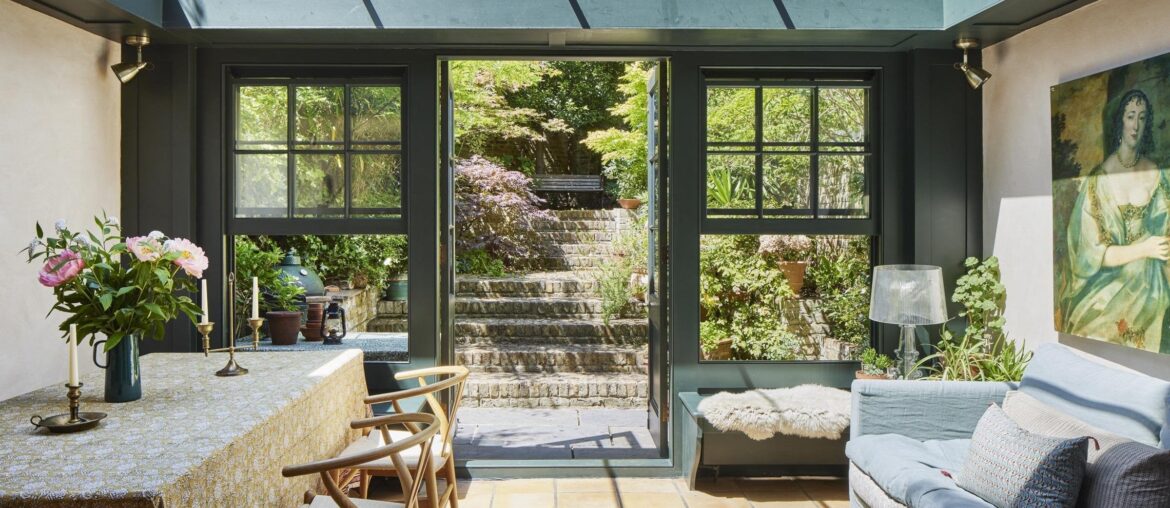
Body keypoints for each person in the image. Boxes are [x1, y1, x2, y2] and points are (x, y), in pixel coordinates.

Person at [1063, 89, 1170, 353]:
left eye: (1142, 117)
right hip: (1110, 283)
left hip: (1151, 281)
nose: (1136, 126)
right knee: (1092, 326)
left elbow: (1165, 230)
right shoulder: (1099, 180)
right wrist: (1144, 248)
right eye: (1130, 116)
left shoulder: (1156, 172)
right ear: (1120, 121)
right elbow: (1094, 255)